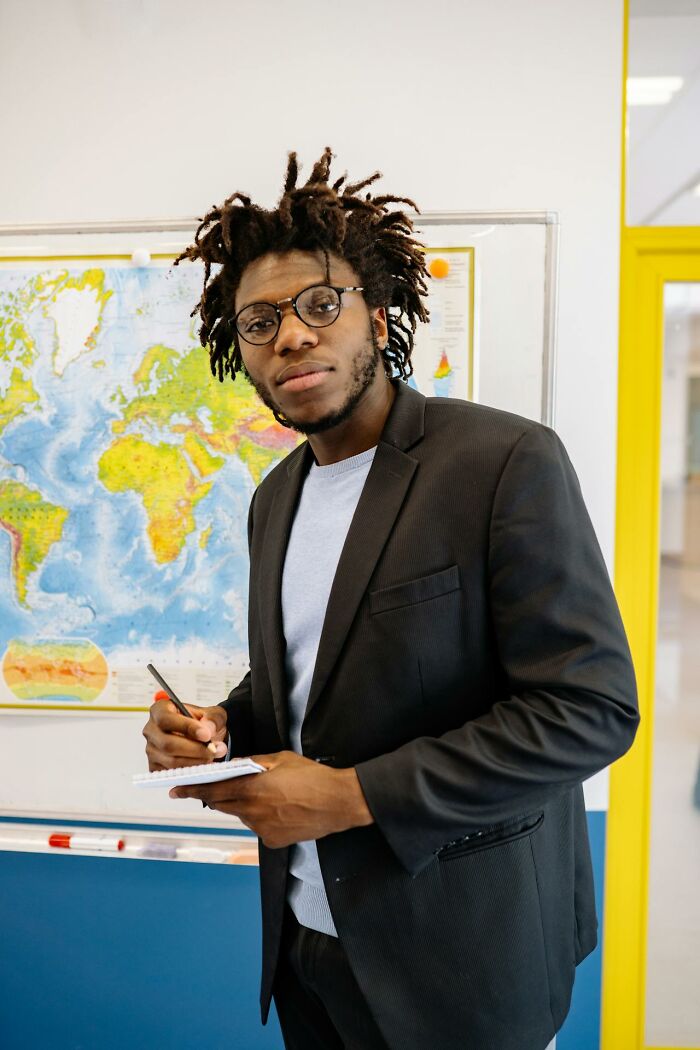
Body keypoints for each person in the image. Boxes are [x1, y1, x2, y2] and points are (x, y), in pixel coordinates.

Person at [142, 148, 639, 1050]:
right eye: (258, 322)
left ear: (376, 314)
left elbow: (590, 710)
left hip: (464, 960)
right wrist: (212, 729)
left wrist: (353, 796)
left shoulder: (502, 462)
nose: (291, 335)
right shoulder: (275, 498)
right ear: (239, 353)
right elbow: (310, 684)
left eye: (318, 305)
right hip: (309, 951)